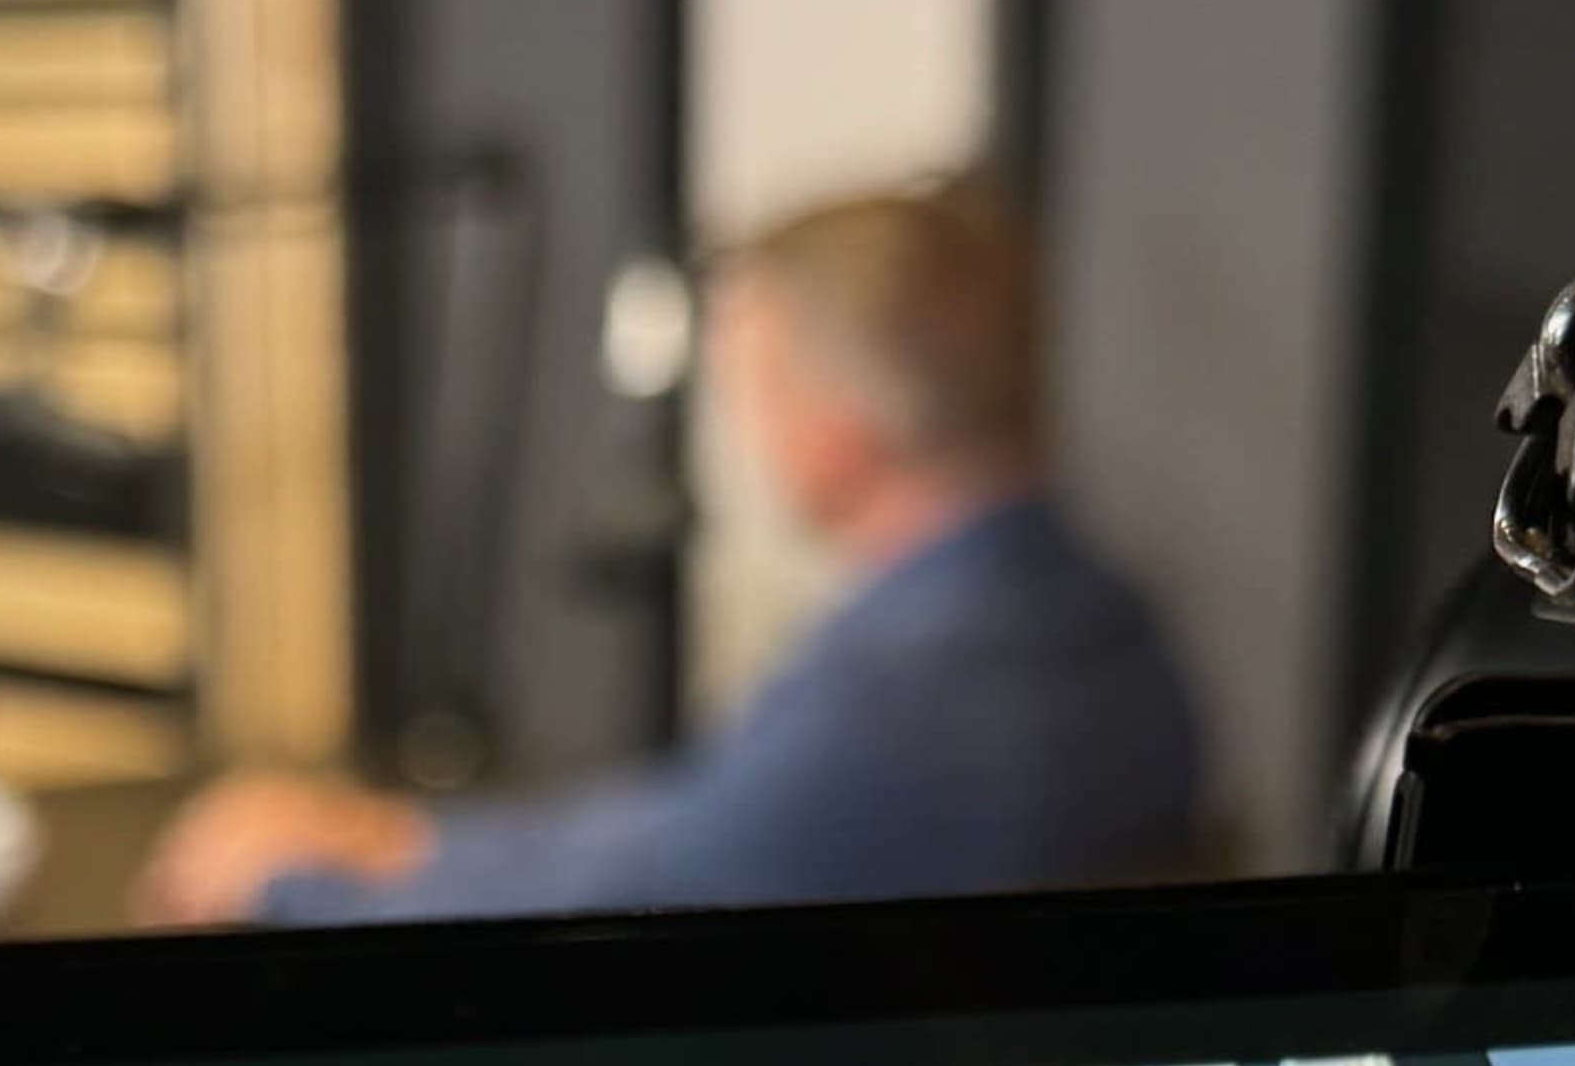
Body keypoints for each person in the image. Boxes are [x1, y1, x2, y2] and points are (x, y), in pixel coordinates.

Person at [138, 180, 1204, 925]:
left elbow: (617, 908)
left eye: (751, 389)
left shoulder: (888, 707)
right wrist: (400, 835)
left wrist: (286, 886)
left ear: (835, 431)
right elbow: (682, 832)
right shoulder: (1105, 624)